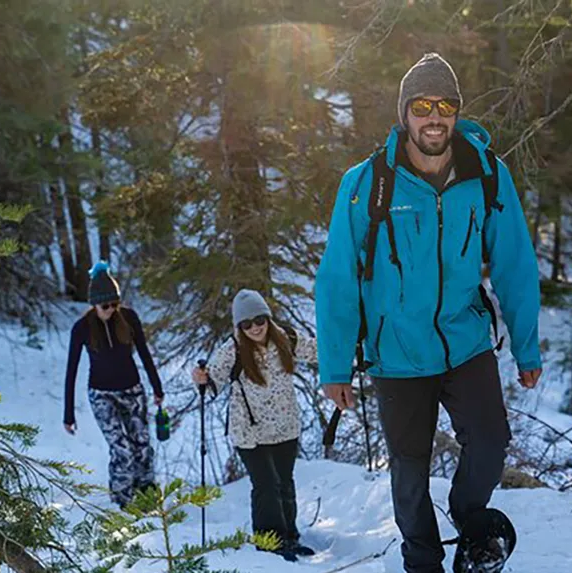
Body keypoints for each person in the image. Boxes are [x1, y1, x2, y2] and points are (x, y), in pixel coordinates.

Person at [314, 53, 543, 573]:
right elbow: (336, 279)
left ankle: (469, 519)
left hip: (465, 340)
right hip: (396, 351)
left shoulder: (486, 174)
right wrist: (334, 367)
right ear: (404, 114)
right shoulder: (366, 184)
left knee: (490, 442)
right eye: (422, 105)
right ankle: (422, 563)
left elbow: (514, 262)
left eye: (446, 105)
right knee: (410, 473)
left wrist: (527, 346)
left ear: (457, 112)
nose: (434, 116)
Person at [190, 289, 317, 562]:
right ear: (239, 326)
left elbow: (318, 351)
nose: (254, 328)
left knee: (284, 483)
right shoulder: (233, 349)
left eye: (259, 320)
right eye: (246, 324)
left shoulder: (287, 337)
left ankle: (289, 537)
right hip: (250, 432)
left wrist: (345, 347)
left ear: (267, 318)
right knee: (266, 485)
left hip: (285, 426)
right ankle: (269, 542)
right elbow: (212, 379)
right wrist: (200, 378)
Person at [63, 261, 165, 509]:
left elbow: (144, 353)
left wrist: (157, 388)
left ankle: (147, 493)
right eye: (105, 305)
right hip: (102, 395)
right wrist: (68, 414)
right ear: (94, 304)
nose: (111, 309)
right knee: (122, 448)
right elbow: (72, 370)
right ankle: (122, 498)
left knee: (142, 444)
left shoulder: (128, 318)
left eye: (114, 304)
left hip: (132, 390)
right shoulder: (82, 328)